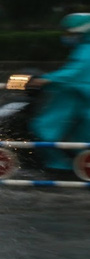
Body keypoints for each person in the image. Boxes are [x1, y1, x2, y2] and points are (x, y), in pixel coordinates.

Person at [27, 13, 90, 172]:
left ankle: (61, 168)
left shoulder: (85, 50)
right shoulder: (82, 49)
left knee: (44, 129)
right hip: (78, 98)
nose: (66, 37)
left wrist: (46, 80)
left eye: (70, 33)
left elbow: (74, 73)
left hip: (74, 97)